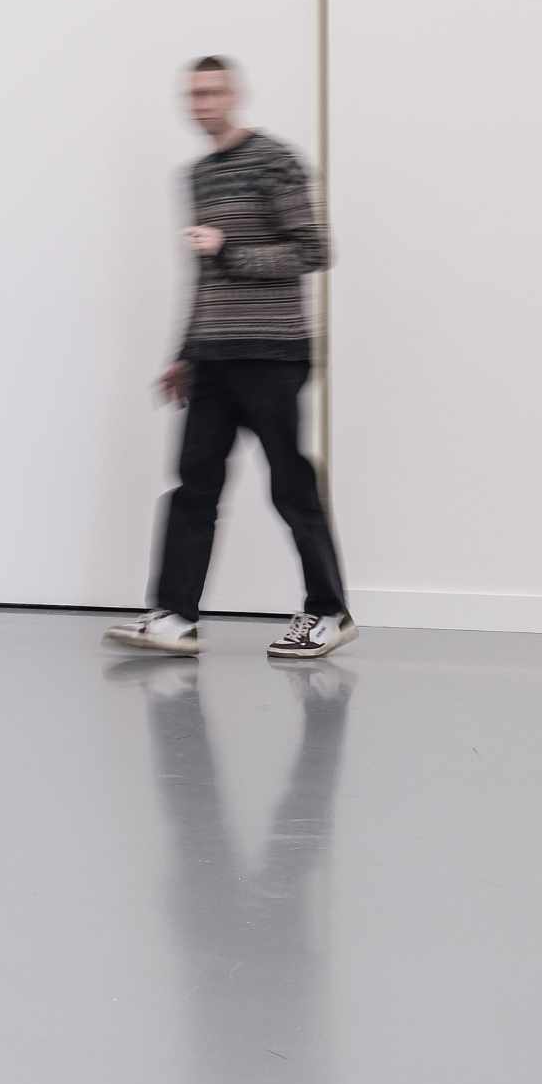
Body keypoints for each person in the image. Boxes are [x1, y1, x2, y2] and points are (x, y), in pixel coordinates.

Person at [109, 54, 353, 663]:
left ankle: (329, 612)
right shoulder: (197, 176)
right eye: (193, 95)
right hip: (213, 358)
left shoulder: (275, 160)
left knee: (290, 486)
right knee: (193, 486)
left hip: (272, 354)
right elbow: (203, 276)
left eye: (212, 93)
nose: (202, 104)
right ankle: (175, 617)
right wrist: (184, 353)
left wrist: (231, 248)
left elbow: (314, 250)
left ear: (235, 95)